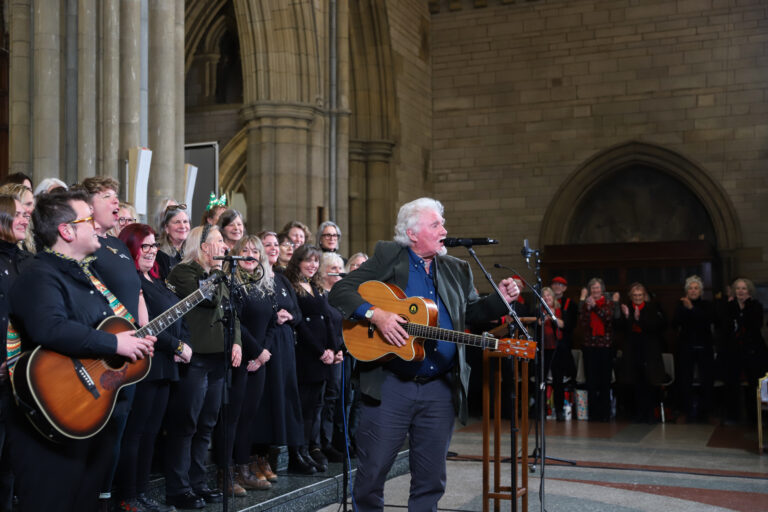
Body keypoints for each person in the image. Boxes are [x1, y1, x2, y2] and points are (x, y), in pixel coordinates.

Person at [328, 197, 520, 512]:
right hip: (391, 384)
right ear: (413, 233)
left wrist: (501, 300)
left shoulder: (457, 268)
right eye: (436, 225)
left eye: (442, 223)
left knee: (431, 479)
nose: (445, 230)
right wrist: (377, 315)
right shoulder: (389, 256)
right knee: (372, 472)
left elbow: (471, 312)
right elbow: (341, 292)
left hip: (440, 388)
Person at [7, 189, 155, 512]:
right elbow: (51, 328)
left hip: (88, 416)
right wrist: (117, 343)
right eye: (88, 219)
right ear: (67, 231)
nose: (96, 226)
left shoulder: (86, 274)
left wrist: (132, 340)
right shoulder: (39, 273)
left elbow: (101, 327)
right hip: (48, 424)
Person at [80, 176, 150, 509]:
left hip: (130, 352)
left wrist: (146, 328)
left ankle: (107, 498)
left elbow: (136, 291)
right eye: (107, 196)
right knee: (97, 432)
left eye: (117, 197)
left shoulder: (119, 245)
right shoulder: (85, 242)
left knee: (118, 431)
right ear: (88, 204)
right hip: (100, 353)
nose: (115, 203)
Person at [163, 225, 242, 510]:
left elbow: (230, 311)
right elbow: (207, 300)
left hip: (216, 359)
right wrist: (218, 272)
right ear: (203, 246)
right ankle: (178, 488)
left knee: (207, 425)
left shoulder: (218, 274)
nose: (224, 246)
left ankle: (198, 483)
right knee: (186, 424)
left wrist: (237, 342)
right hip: (194, 359)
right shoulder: (183, 273)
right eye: (219, 241)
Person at [115, 223, 192, 512]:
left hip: (164, 366)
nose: (151, 251)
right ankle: (128, 497)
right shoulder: (131, 281)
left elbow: (177, 315)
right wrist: (176, 345)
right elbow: (144, 326)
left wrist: (182, 342)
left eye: (153, 246)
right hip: (142, 363)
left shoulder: (157, 281)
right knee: (135, 433)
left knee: (150, 433)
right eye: (144, 246)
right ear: (131, 248)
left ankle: (143, 494)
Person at [251, 231, 308, 475]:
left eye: (277, 244)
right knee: (264, 402)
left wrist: (290, 316)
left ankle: (277, 455)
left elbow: (297, 311)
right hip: (266, 343)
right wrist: (276, 316)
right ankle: (258, 457)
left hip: (285, 346)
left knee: (283, 400)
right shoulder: (255, 277)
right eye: (268, 245)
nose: (274, 248)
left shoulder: (283, 279)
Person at [286, 245, 342, 473]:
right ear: (298, 262)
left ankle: (310, 449)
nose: (312, 265)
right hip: (306, 354)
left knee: (315, 406)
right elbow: (301, 323)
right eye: (308, 260)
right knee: (301, 405)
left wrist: (334, 348)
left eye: (316, 261)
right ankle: (296, 453)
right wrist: (321, 350)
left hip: (323, 356)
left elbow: (327, 319)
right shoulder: (292, 286)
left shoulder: (316, 286)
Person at [225, 236, 274, 492]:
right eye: (245, 250)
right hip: (240, 358)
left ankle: (244, 469)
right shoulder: (232, 283)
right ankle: (227, 473)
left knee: (249, 418)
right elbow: (235, 322)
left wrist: (264, 351)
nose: (250, 254)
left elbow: (272, 322)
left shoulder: (263, 284)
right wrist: (256, 351)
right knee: (232, 418)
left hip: (259, 360)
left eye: (255, 250)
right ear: (235, 253)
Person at [0, 195, 32, 511]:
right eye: (18, 214)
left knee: (12, 460)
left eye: (26, 214)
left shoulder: (27, 261)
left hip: (20, 374)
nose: (25, 219)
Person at [616, 283, 666, 423]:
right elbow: (620, 329)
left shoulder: (652, 308)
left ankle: (650, 414)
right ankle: (637, 414)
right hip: (633, 353)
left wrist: (639, 320)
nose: (638, 298)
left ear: (644, 296)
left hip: (649, 353)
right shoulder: (626, 308)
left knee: (649, 384)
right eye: (635, 295)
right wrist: (627, 317)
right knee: (635, 385)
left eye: (640, 295)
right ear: (631, 296)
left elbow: (657, 327)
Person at [721, 278, 768, 423]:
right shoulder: (729, 307)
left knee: (753, 384)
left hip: (752, 350)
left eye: (743, 288)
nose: (740, 291)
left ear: (749, 291)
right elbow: (725, 327)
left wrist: (745, 306)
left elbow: (754, 326)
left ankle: (755, 417)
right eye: (738, 288)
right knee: (732, 383)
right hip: (734, 351)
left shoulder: (755, 306)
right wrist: (735, 307)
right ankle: (733, 416)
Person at [316, 251, 347, 462]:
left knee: (332, 400)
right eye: (334, 269)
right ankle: (316, 444)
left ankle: (327, 441)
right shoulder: (319, 295)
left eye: (340, 268)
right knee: (320, 400)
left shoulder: (340, 296)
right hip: (321, 354)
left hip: (338, 354)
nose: (339, 272)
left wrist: (341, 349)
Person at [672, 275, 715, 422]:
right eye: (690, 288)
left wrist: (692, 309)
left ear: (700, 291)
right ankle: (687, 411)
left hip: (704, 346)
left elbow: (707, 321)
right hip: (686, 346)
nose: (693, 290)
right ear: (686, 291)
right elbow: (675, 323)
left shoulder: (707, 305)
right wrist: (685, 309)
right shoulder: (680, 305)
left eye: (696, 288)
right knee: (685, 379)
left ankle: (705, 411)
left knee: (706, 380)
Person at [578, 277, 618, 422]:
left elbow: (607, 319)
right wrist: (588, 309)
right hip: (589, 347)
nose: (595, 290)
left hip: (605, 347)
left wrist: (594, 307)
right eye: (593, 288)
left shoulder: (608, 303)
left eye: (597, 288)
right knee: (591, 381)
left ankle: (605, 413)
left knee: (605, 382)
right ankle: (593, 414)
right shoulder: (586, 305)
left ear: (602, 290)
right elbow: (583, 324)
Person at [540, 287, 570, 421]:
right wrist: (543, 317)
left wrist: (552, 317)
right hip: (543, 349)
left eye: (549, 296)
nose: (547, 298)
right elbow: (537, 324)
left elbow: (563, 325)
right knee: (542, 380)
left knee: (558, 381)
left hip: (557, 349)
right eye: (544, 296)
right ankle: (541, 410)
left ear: (553, 298)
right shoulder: (538, 311)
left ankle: (559, 411)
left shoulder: (559, 310)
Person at [156, 204, 190, 279]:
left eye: (185, 221)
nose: (182, 226)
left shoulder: (192, 252)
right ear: (166, 228)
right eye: (177, 222)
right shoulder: (160, 255)